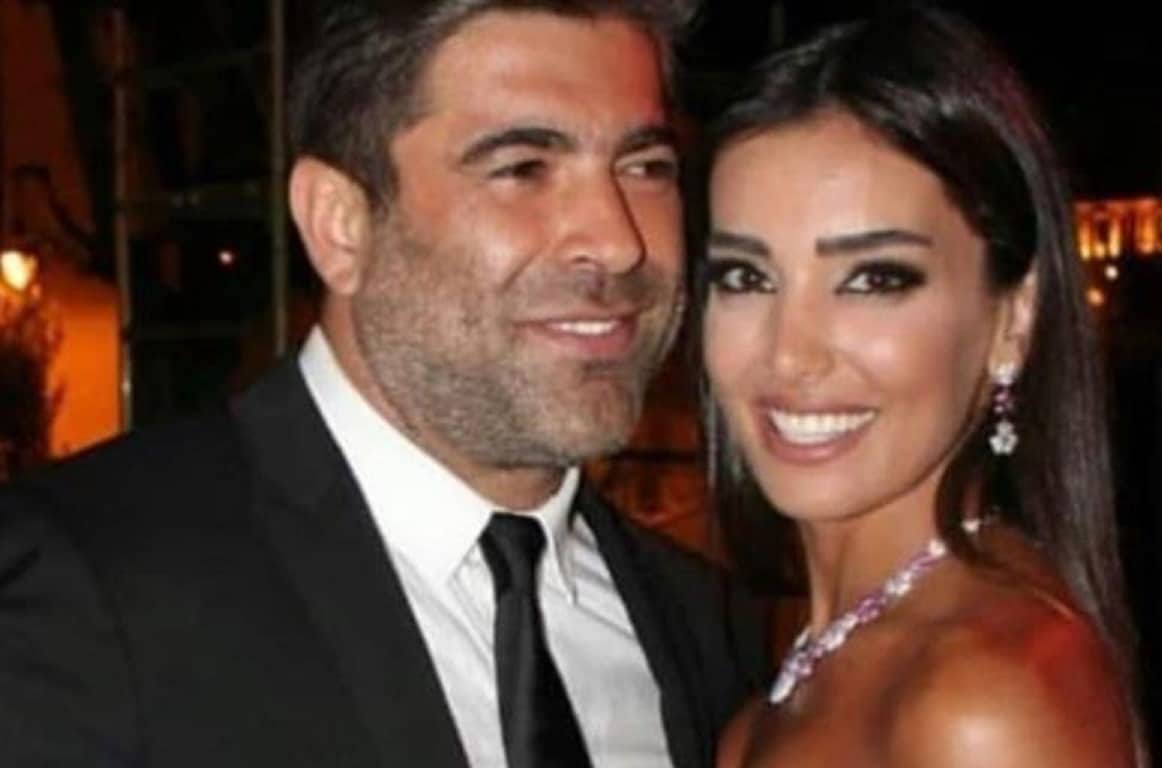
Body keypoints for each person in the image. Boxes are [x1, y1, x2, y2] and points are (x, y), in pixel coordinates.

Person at [0, 1, 767, 765]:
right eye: (522, 169)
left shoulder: (703, 625)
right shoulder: (87, 589)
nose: (617, 241)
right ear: (340, 224)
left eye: (645, 168)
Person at [694, 7, 1146, 767]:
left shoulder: (986, 700)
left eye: (874, 279)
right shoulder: (828, 664)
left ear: (1013, 319)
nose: (790, 353)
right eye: (746, 277)